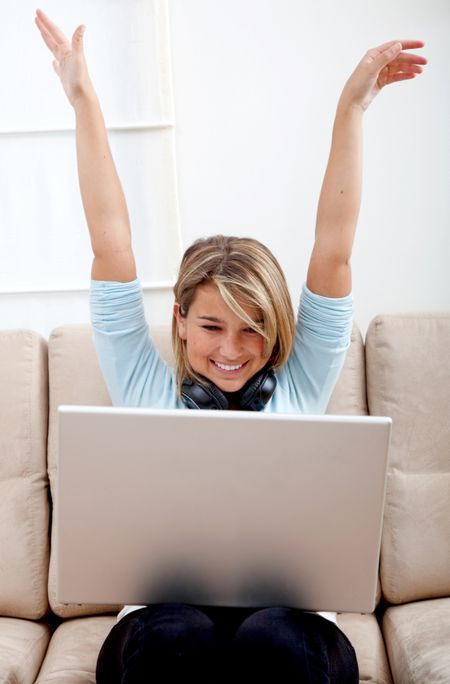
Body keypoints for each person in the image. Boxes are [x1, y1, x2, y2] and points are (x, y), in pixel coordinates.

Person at [35, 8, 426, 683]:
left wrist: (352, 107)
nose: (232, 349)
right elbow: (111, 240)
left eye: (254, 328)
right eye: (213, 326)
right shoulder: (143, 384)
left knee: (273, 639)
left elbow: (333, 245)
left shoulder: (301, 382)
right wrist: (82, 97)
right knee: (173, 635)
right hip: (167, 621)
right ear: (180, 320)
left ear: (276, 332)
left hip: (288, 624)